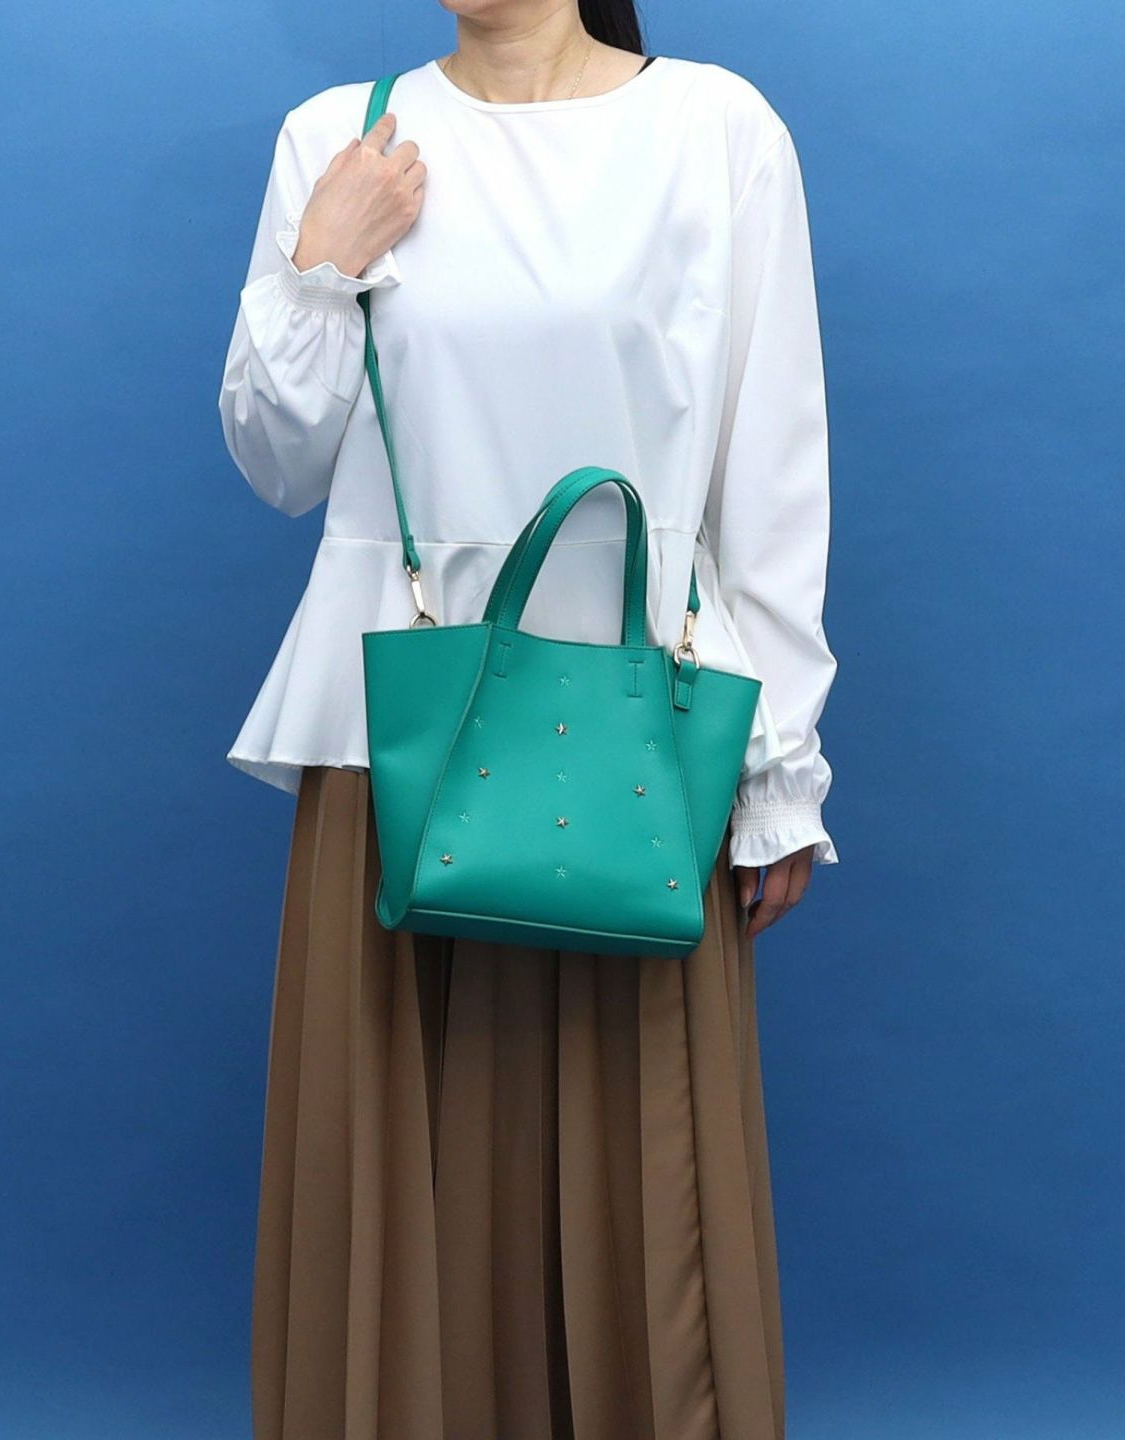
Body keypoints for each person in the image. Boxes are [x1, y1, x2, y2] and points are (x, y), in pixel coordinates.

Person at [217, 3, 839, 1436]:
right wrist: (323, 261)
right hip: (399, 741)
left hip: (641, 741)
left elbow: (771, 463)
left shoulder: (717, 132)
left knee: (648, 1183)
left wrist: (779, 769)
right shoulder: (343, 135)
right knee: (393, 1166)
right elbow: (276, 462)